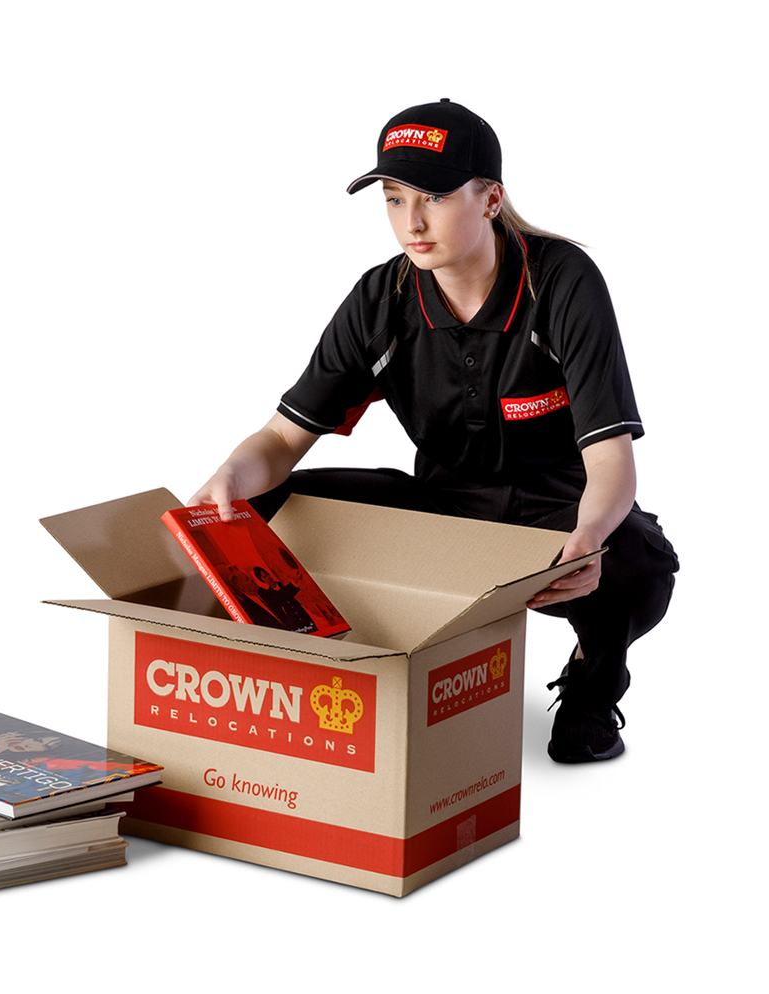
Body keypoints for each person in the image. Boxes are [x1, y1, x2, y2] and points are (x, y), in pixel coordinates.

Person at [190, 99, 679, 764]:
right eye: (393, 199)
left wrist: (589, 537)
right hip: (441, 510)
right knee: (270, 504)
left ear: (489, 198)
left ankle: (593, 690)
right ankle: (302, 667)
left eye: (434, 197)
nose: (411, 222)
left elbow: (610, 462)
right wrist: (229, 479)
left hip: (554, 515)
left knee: (638, 562)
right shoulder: (381, 299)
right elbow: (280, 441)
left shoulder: (562, 281)